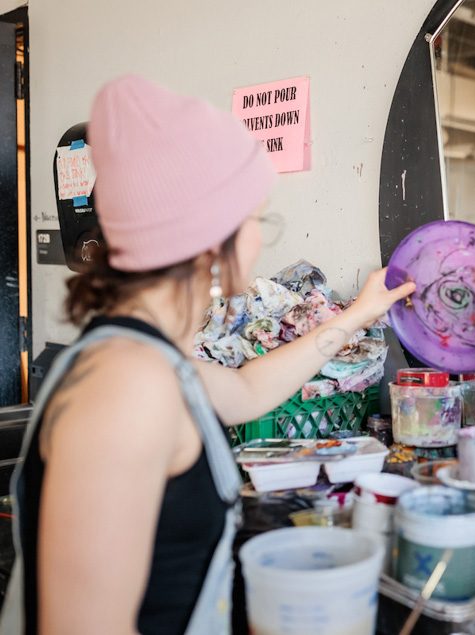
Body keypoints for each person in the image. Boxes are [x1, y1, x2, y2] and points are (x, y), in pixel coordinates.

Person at [5, 76, 415, 634]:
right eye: (253, 218)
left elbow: (247, 390)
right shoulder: (123, 391)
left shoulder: (149, 359)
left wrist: (354, 317)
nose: (257, 236)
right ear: (207, 238)